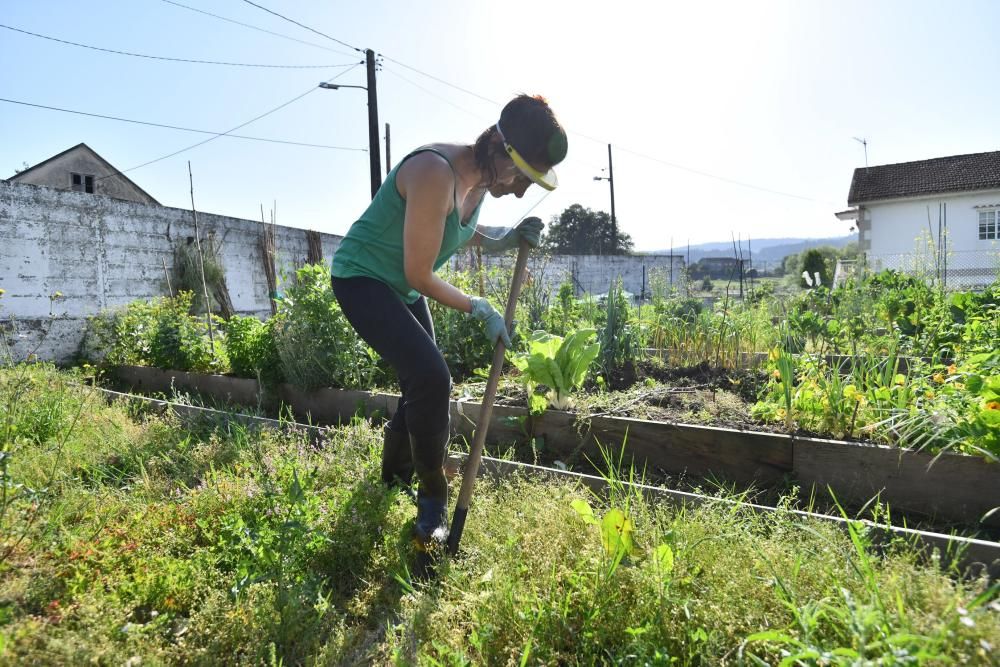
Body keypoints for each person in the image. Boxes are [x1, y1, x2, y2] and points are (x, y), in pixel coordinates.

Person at [331, 94, 568, 553]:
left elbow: (455, 227)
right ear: (499, 147)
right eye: (521, 176)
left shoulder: (479, 178)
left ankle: (394, 475)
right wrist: (479, 305)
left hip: (398, 286)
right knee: (431, 378)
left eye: (531, 183)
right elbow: (419, 273)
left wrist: (501, 242)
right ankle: (432, 504)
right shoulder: (435, 172)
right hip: (362, 279)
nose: (520, 190)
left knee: (421, 381)